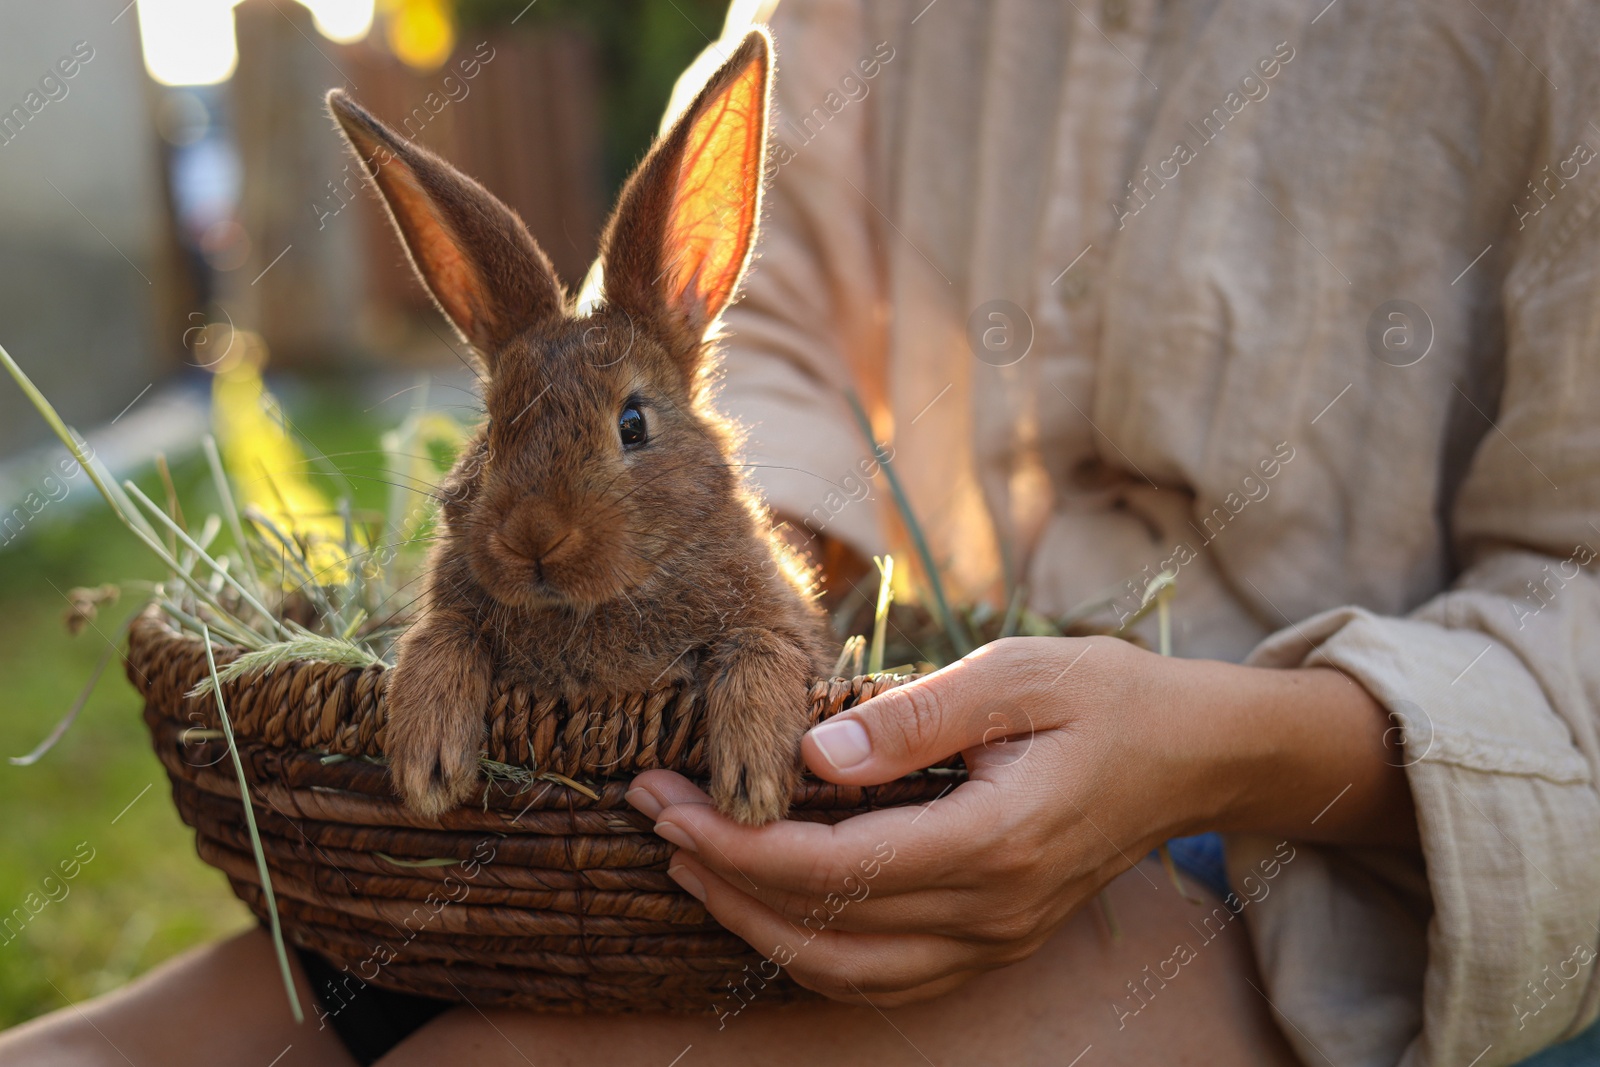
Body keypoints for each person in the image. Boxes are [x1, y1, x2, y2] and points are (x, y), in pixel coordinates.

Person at [4, 0, 1598, 1063]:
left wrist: (1208, 751)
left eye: (630, 436)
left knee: (496, 1057)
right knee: (146, 1044)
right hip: (877, 729)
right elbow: (782, 333)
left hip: (1296, 838)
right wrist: (534, 657)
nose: (538, 524)